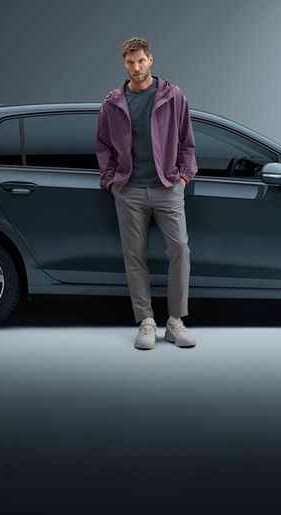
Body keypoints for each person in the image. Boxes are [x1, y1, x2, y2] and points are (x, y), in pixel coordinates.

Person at [95, 37, 198, 350]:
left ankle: (176, 322)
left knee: (180, 249)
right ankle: (146, 322)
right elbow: (103, 146)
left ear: (151, 59)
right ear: (124, 64)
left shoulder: (173, 96)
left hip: (167, 188)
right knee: (134, 257)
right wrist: (111, 181)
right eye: (130, 62)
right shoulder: (112, 102)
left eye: (141, 61)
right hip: (130, 191)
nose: (136, 68)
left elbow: (187, 142)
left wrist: (182, 178)